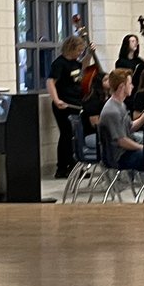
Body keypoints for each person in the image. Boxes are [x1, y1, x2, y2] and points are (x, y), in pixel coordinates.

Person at [101, 68, 144, 201]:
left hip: (125, 152)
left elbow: (130, 127)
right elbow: (121, 141)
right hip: (118, 156)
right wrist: (143, 148)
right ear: (122, 86)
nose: (132, 86)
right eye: (130, 83)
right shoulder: (112, 110)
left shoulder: (120, 105)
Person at [46, 34, 90, 179]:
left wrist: (90, 54)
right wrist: (56, 99)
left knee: (74, 135)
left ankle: (73, 164)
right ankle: (62, 167)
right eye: (78, 50)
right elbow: (51, 82)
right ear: (71, 48)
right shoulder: (59, 63)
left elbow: (82, 70)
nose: (80, 53)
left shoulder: (75, 63)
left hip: (75, 103)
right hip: (63, 104)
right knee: (66, 134)